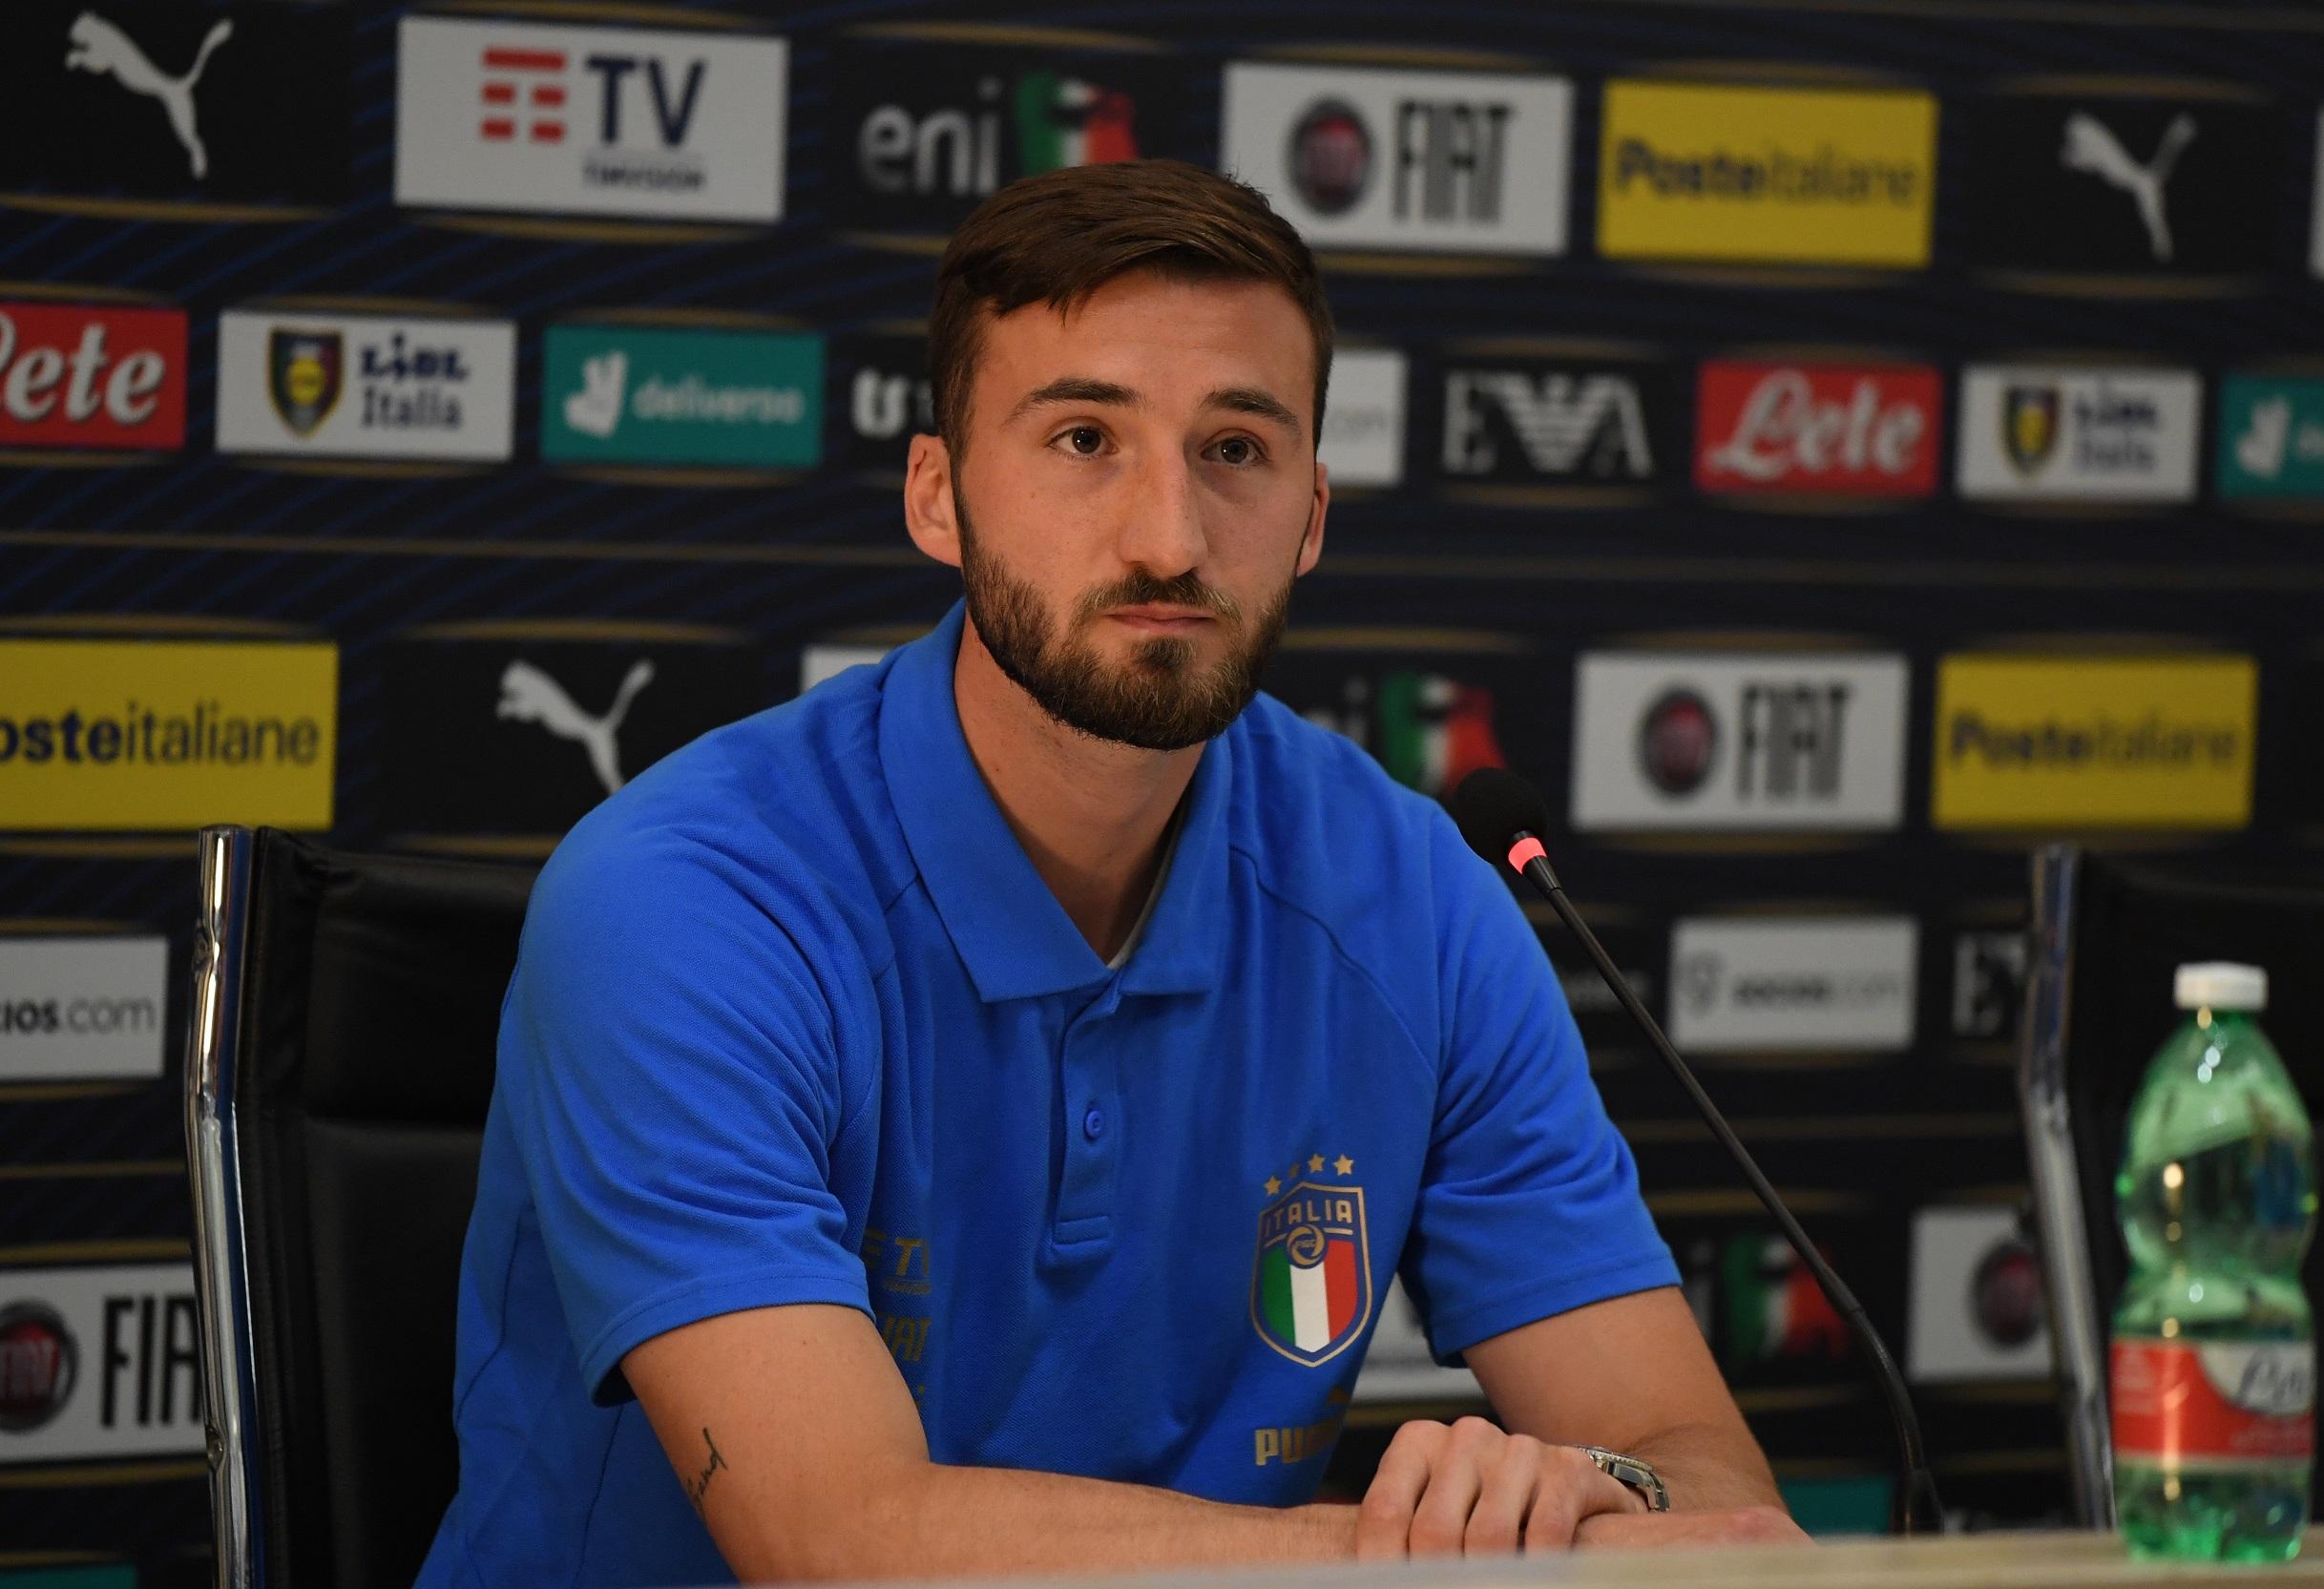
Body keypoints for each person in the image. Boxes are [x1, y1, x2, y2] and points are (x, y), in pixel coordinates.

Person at [415, 158, 1802, 1588]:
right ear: (938, 496)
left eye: (1237, 450)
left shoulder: (1421, 901)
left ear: (1314, 514)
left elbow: (1702, 1469)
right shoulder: (683, 900)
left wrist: (1603, 1493)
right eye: (1084, 438)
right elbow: (840, 1540)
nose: (1170, 538)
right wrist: (1407, 1557)